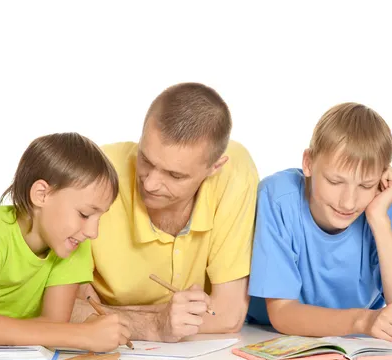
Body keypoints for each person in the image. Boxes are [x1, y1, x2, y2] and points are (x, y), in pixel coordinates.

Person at [72, 83, 259, 342]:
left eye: (174, 175)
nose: (149, 183)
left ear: (214, 166)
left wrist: (109, 313)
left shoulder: (234, 171)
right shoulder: (98, 171)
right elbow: (65, 310)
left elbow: (228, 317)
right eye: (146, 160)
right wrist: (155, 324)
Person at [0, 132, 131, 351]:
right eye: (84, 214)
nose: (93, 232)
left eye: (99, 217)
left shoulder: (73, 244)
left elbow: (54, 327)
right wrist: (82, 334)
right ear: (41, 194)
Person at [246, 102, 392, 342]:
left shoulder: (386, 204)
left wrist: (379, 220)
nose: (348, 203)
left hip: (353, 343)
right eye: (335, 182)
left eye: (366, 185)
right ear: (308, 163)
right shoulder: (278, 197)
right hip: (265, 336)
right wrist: (362, 321)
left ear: (381, 180)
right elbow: (282, 314)